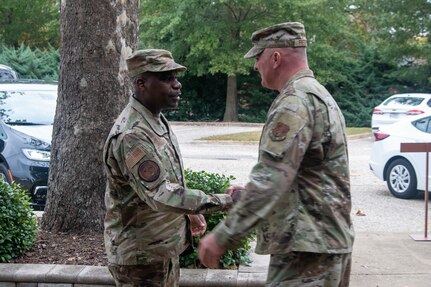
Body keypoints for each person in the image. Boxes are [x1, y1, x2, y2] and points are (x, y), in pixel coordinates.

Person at [198, 22, 355, 286]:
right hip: (325, 244)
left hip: (306, 252)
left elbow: (271, 178)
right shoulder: (319, 96)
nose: (255, 65)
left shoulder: (294, 102)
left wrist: (223, 236)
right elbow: (303, 175)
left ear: (275, 57)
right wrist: (249, 194)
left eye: (258, 57)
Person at [103, 49, 234, 287]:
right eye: (167, 79)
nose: (177, 85)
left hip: (160, 250)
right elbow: (160, 194)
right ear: (141, 83)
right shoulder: (132, 134)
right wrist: (225, 201)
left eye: (175, 77)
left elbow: (163, 181)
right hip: (141, 258)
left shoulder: (154, 119)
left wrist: (189, 211)